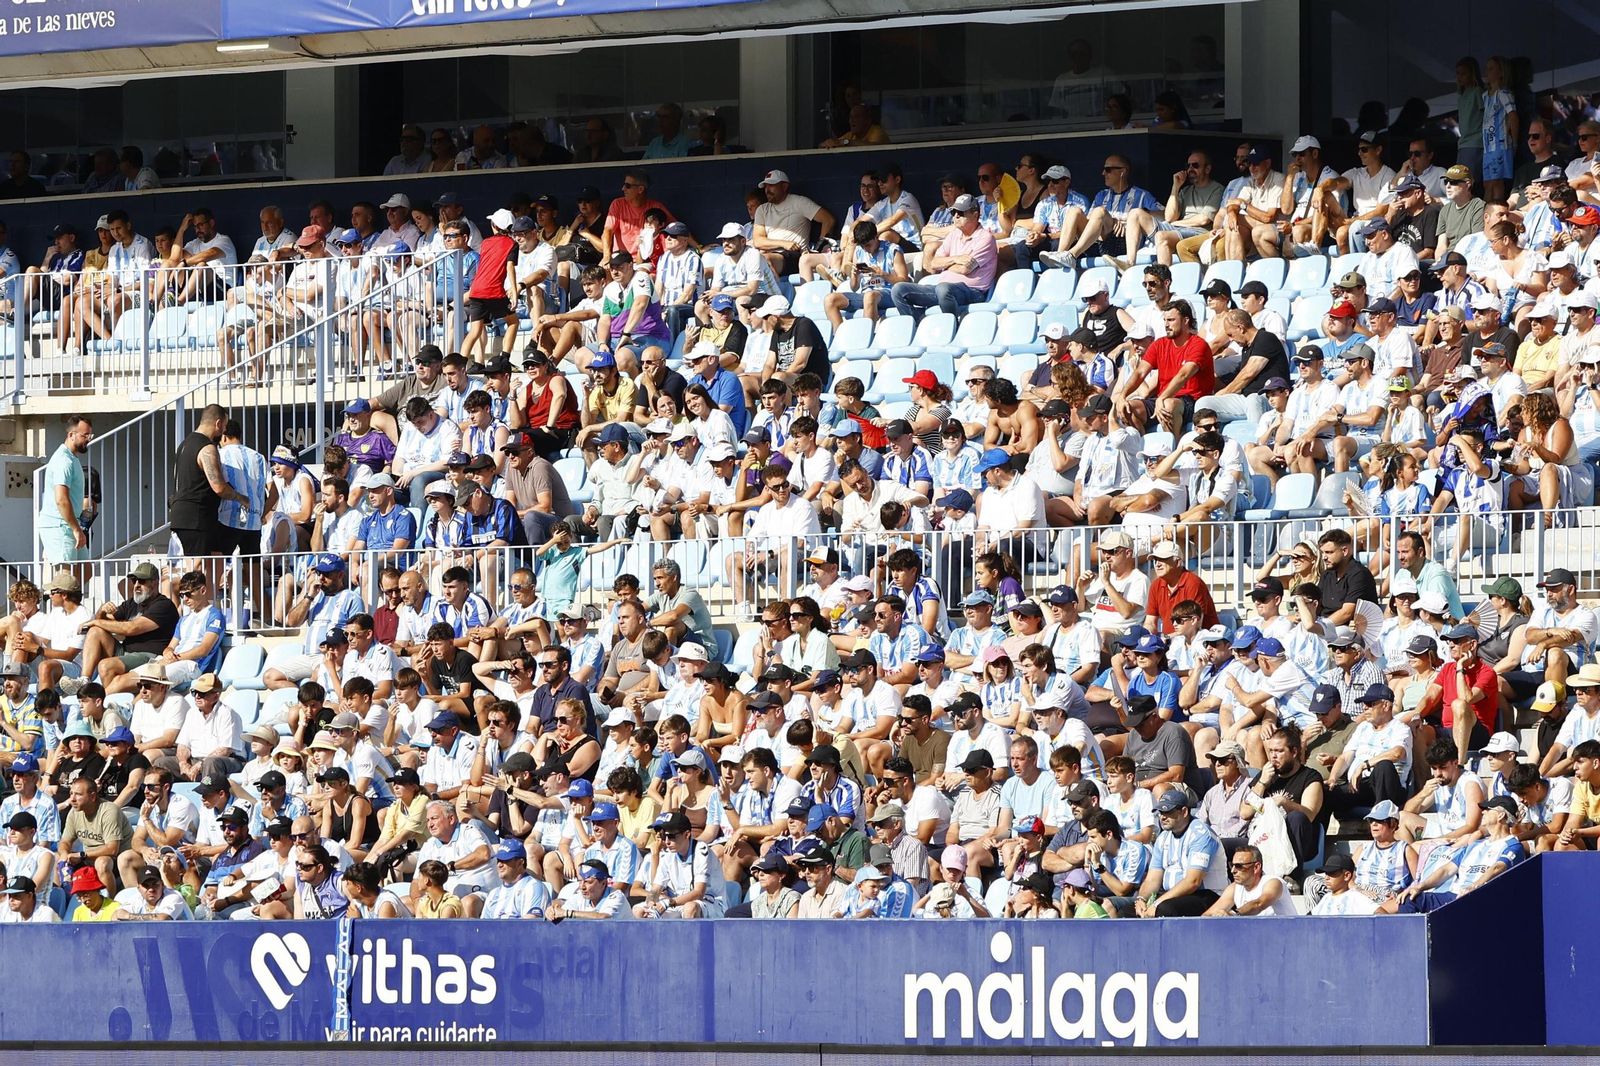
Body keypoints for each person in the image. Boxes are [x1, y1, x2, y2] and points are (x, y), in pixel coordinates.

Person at [890, 194, 996, 322]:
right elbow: (934, 263)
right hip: (943, 291)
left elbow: (964, 269)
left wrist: (945, 265)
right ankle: (918, 322)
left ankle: (952, 325)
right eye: (953, 212)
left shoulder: (985, 238)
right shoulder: (954, 235)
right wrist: (956, 259)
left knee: (943, 289)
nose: (956, 216)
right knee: (898, 290)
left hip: (972, 292)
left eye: (961, 213)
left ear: (975, 214)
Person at [1136, 789, 1226, 917]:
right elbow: (1152, 879)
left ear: (1184, 812)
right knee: (1127, 911)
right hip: (1172, 896)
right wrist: (1141, 900)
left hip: (1207, 895)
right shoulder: (1163, 837)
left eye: (1168, 812)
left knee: (1165, 909)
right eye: (1161, 812)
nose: (1162, 817)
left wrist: (1157, 904)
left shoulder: (1201, 834)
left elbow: (1193, 882)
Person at [1203, 844, 1296, 916]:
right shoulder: (1234, 888)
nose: (1233, 871)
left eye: (1239, 866)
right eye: (1232, 865)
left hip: (1288, 934)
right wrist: (1217, 916)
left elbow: (1258, 904)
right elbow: (1206, 916)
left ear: (1256, 867)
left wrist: (1233, 914)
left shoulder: (1273, 883)